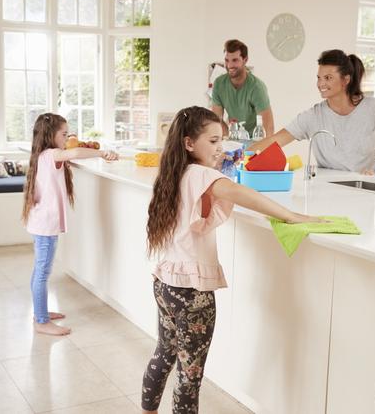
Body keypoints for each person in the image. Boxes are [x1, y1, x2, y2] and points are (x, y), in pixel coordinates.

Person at [140, 106, 320, 414]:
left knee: (164, 353)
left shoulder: (176, 171)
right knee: (190, 375)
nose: (220, 148)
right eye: (212, 141)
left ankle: (147, 411)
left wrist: (217, 164)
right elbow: (239, 192)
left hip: (166, 284)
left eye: (221, 141)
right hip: (193, 293)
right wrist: (289, 215)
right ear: (188, 144)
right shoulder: (202, 175)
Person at [22, 113, 118, 336]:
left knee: (40, 270)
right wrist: (103, 152)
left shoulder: (43, 155)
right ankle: (41, 321)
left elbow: (70, 152)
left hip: (41, 223)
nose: (67, 138)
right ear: (50, 135)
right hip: (45, 226)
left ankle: (41, 311)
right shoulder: (52, 154)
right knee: (42, 273)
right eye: (64, 134)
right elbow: (74, 152)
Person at [249, 49, 375, 173]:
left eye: (328, 78)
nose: (321, 83)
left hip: (366, 188)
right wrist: (238, 155)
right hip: (328, 188)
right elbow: (276, 140)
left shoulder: (373, 108)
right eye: (319, 77)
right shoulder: (313, 116)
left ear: (345, 80)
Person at [211, 39, 275, 138]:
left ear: (245, 60)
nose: (229, 65)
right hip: (234, 137)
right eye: (227, 60)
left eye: (235, 60)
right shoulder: (219, 85)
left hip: (256, 140)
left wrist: (259, 149)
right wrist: (232, 137)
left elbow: (268, 128)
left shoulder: (257, 87)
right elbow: (216, 120)